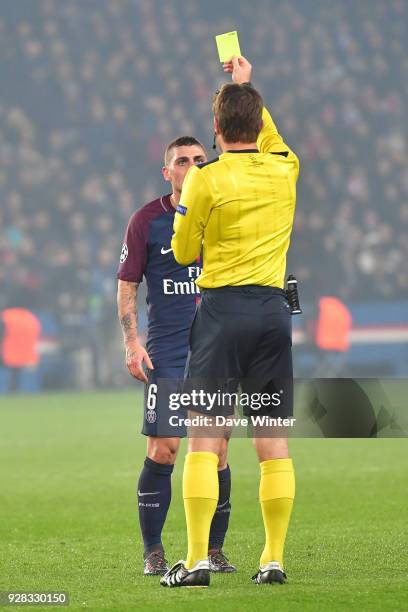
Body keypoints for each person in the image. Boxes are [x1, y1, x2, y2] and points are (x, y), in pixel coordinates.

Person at [161, 56, 300, 588]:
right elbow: (272, 135)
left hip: (221, 314)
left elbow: (181, 251)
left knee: (205, 437)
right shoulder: (285, 167)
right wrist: (245, 87)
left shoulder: (204, 179)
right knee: (272, 440)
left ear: (216, 131)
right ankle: (272, 560)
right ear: (259, 123)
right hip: (271, 314)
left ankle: (196, 561)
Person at [117, 137, 235, 576]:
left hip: (217, 350)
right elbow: (128, 283)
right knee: (165, 448)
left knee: (217, 451)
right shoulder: (147, 220)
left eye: (200, 160)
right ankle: (153, 550)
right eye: (182, 161)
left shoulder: (225, 213)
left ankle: (214, 550)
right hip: (166, 352)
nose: (192, 166)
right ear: (167, 172)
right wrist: (132, 341)